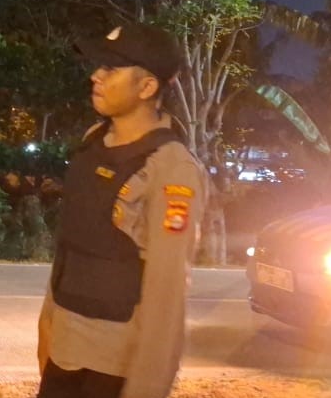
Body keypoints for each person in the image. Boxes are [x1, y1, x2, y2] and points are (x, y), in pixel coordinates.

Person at [36, 22, 208, 398]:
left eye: (111, 68)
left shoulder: (172, 168)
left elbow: (167, 292)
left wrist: (148, 388)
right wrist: (46, 330)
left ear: (146, 87)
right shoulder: (93, 142)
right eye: (99, 66)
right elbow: (71, 246)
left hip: (114, 370)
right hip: (63, 354)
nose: (96, 76)